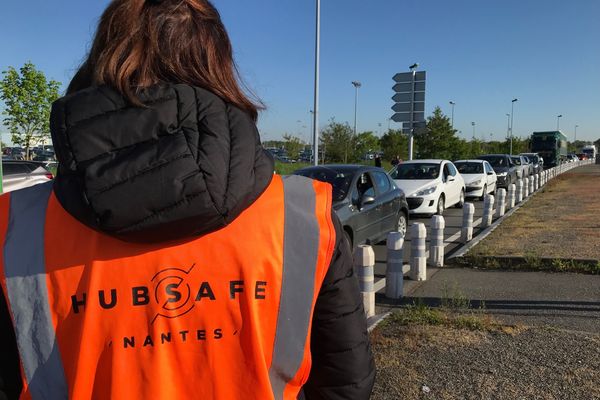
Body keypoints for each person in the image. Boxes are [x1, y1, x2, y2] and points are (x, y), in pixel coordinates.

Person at [0, 1, 375, 399]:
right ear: (219, 67)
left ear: (101, 60)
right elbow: (346, 384)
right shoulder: (301, 216)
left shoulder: (17, 229)